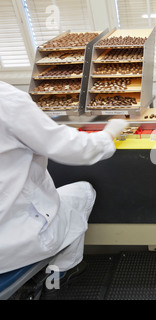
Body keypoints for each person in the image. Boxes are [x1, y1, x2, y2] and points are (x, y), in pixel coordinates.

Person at [0, 81, 128, 288]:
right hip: (12, 243)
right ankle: (60, 273)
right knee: (83, 192)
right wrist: (109, 133)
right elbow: (74, 149)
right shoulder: (7, 100)